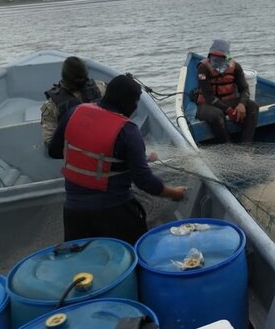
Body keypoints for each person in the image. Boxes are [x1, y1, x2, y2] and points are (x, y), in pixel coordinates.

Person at [48, 74, 187, 244]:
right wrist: (174, 193)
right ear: (127, 101)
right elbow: (144, 181)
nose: (135, 107)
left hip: (74, 214)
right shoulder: (128, 130)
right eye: (135, 102)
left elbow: (54, 151)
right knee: (131, 258)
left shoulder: (74, 112)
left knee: (82, 264)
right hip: (115, 213)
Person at [195, 39, 258, 144]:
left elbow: (244, 89)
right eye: (213, 56)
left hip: (229, 100)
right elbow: (208, 96)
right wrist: (229, 110)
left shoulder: (236, 67)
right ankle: (227, 146)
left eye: (220, 56)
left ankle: (246, 145)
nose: (216, 59)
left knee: (253, 106)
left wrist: (241, 104)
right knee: (217, 115)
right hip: (208, 104)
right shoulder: (203, 68)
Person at [41, 56, 106, 147]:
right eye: (77, 80)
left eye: (82, 79)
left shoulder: (101, 88)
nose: (80, 82)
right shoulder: (52, 105)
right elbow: (50, 140)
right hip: (77, 149)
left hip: (102, 143)